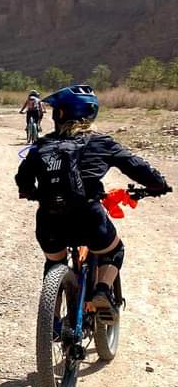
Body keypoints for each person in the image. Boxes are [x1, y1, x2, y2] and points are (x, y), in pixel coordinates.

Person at [15, 85, 170, 324]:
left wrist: (32, 193)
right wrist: (158, 185)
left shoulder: (43, 145)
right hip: (88, 216)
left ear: (61, 114)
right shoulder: (101, 142)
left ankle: (52, 321)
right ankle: (102, 291)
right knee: (114, 250)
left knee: (54, 261)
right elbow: (137, 167)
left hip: (49, 219)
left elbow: (23, 179)